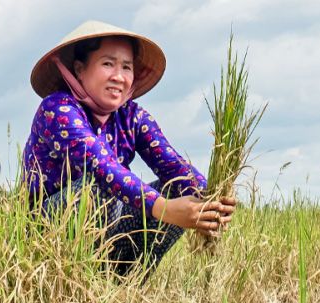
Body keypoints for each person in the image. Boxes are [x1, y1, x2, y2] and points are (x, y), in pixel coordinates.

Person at [23, 20, 233, 276]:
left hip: (110, 237)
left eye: (126, 67)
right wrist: (165, 209)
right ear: (79, 69)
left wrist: (208, 200)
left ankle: (123, 284)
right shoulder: (58, 109)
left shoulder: (132, 116)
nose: (119, 76)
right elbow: (104, 168)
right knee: (98, 186)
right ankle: (74, 280)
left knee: (174, 188)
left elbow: (173, 166)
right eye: (108, 64)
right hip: (49, 237)